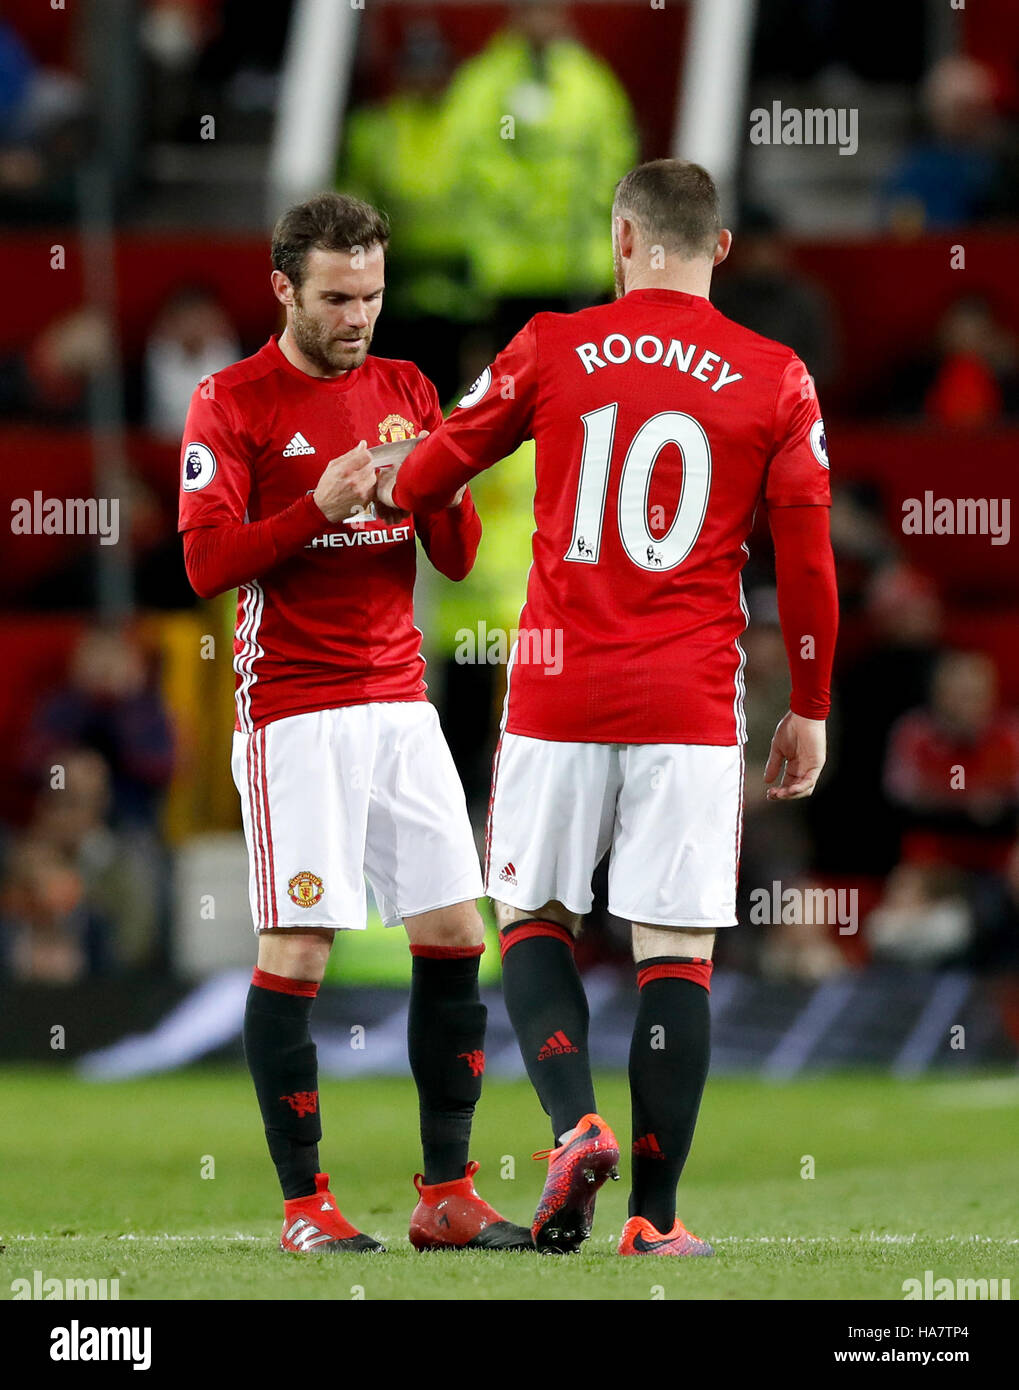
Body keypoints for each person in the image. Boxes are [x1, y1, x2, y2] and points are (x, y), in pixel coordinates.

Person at [379, 159, 839, 1256]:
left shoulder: (552, 344)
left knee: (533, 914)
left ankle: (570, 1121)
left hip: (553, 686)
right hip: (687, 699)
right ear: (718, 248)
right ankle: (651, 1217)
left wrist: (382, 469)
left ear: (621, 240)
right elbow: (808, 561)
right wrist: (809, 703)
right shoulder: (774, 374)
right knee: (671, 949)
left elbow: (429, 474)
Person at [177, 192, 531, 1254]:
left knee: (454, 931)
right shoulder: (229, 401)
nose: (358, 316)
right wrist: (315, 509)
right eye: (336, 297)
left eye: (371, 294)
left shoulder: (404, 388)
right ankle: (302, 1206)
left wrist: (431, 482)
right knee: (296, 948)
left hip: (396, 699)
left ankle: (447, 1192)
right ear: (283, 288)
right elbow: (205, 563)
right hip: (292, 709)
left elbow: (458, 557)